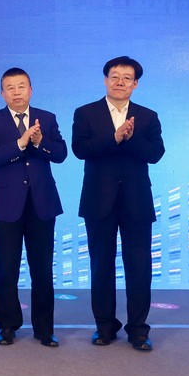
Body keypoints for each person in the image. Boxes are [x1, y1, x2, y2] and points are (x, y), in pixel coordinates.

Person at [72, 56, 165, 351]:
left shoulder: (147, 116)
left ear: (135, 84)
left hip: (137, 201)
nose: (120, 82)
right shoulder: (85, 113)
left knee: (139, 267)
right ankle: (105, 326)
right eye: (115, 76)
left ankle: (138, 330)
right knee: (101, 265)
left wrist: (130, 138)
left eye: (127, 78)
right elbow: (80, 149)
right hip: (98, 200)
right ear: (105, 80)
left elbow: (156, 154)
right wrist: (114, 138)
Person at [0, 68, 67, 347]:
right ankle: (7, 326)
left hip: (42, 203)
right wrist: (20, 143)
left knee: (42, 269)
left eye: (21, 86)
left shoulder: (47, 118)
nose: (16, 92)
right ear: (2, 93)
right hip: (7, 205)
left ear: (30, 90)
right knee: (7, 268)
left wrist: (41, 143)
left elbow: (61, 154)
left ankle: (45, 329)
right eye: (10, 88)